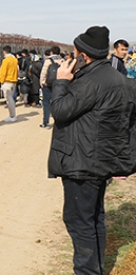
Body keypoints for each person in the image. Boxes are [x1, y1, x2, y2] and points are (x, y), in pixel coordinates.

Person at [48, 25, 136, 275]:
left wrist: (62, 82)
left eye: (74, 53)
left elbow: (61, 110)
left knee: (79, 221)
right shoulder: (118, 79)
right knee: (94, 217)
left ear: (83, 55)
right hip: (103, 159)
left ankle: (87, 271)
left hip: (82, 161)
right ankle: (96, 269)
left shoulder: (89, 83)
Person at [40, 46, 64, 129]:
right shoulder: (62, 61)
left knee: (46, 103)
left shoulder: (48, 61)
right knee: (58, 103)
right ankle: (60, 122)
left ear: (51, 52)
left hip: (48, 85)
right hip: (59, 85)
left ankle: (46, 123)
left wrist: (42, 82)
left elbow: (44, 72)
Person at [0, 46, 19, 122]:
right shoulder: (15, 59)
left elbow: (3, 72)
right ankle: (12, 115)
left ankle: (12, 116)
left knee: (9, 99)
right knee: (11, 99)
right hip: (13, 81)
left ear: (4, 51)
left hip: (7, 81)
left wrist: (1, 81)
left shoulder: (6, 60)